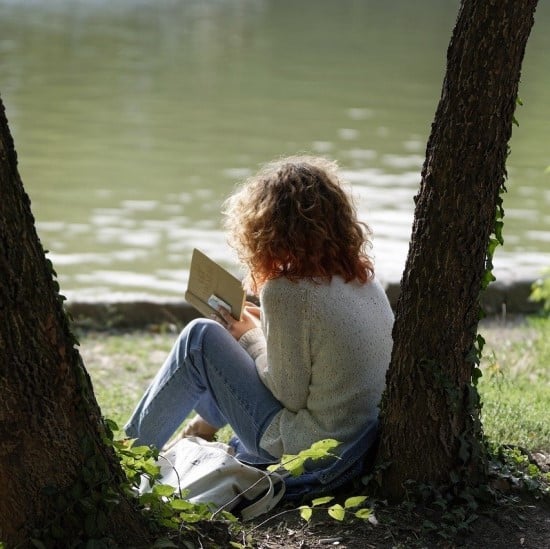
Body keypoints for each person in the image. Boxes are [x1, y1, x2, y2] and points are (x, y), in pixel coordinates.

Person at [124, 156, 394, 469]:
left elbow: (288, 394)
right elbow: (315, 361)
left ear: (266, 229)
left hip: (311, 456)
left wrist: (249, 337)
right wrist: (260, 329)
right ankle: (200, 430)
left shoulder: (287, 291)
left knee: (200, 337)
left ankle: (128, 460)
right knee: (231, 339)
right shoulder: (362, 279)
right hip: (357, 447)